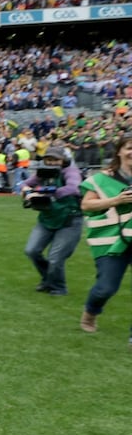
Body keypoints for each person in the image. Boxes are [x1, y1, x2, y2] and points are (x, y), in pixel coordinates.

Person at [78, 132, 132, 337]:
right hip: (111, 240)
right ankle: (90, 313)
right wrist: (116, 201)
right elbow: (86, 205)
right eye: (129, 147)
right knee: (105, 289)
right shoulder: (101, 179)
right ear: (119, 151)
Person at [19, 146, 83, 296]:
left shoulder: (71, 171)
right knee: (31, 250)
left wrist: (47, 193)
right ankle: (48, 279)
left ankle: (59, 287)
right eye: (48, 159)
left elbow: (74, 188)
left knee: (55, 257)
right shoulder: (43, 172)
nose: (51, 162)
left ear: (63, 160)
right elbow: (24, 184)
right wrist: (27, 191)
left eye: (55, 159)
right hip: (48, 217)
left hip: (69, 219)